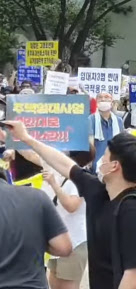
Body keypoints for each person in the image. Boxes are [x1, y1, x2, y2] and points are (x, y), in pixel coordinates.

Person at [7, 120, 136, 289]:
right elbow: (64, 164)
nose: (100, 161)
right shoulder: (98, 192)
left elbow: (132, 274)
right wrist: (25, 137)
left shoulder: (130, 209)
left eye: (104, 156)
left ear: (114, 166)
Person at [41, 168, 88, 289]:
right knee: (54, 282)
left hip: (75, 243)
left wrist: (53, 184)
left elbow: (71, 206)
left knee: (67, 285)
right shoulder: (63, 178)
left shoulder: (78, 180)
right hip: (59, 242)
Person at [89, 92, 124, 169]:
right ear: (96, 102)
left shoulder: (119, 121)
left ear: (112, 101)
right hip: (96, 164)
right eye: (100, 97)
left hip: (115, 164)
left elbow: (122, 142)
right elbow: (90, 142)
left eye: (106, 97)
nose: (103, 99)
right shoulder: (91, 119)